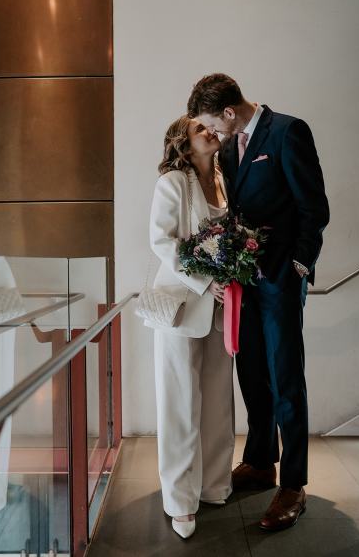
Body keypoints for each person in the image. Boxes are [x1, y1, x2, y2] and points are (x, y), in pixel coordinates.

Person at [187, 74, 330, 532]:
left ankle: (293, 485)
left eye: (214, 124)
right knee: (250, 372)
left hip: (282, 281)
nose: (214, 135)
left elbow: (315, 207)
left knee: (286, 377)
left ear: (229, 112)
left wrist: (300, 266)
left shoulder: (288, 132)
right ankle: (261, 461)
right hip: (242, 284)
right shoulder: (229, 148)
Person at [144, 115, 235, 538]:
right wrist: (206, 279)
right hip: (182, 304)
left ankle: (215, 485)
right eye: (202, 130)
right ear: (184, 140)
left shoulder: (224, 177)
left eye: (211, 128)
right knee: (180, 403)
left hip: (223, 306)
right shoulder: (172, 183)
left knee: (218, 397)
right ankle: (180, 499)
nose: (211, 132)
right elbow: (163, 242)